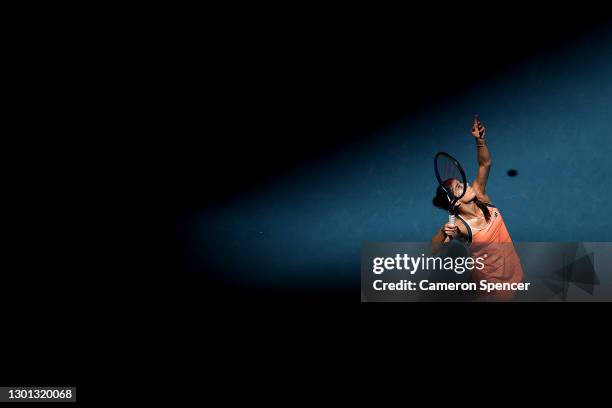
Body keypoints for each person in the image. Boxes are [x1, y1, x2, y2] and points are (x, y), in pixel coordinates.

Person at [430, 115, 523, 300]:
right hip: (493, 288)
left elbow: (485, 163)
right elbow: (433, 249)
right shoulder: (461, 226)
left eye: (461, 182)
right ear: (455, 202)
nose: (466, 184)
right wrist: (444, 232)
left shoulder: (480, 195)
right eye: (459, 187)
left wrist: (480, 141)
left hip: (513, 269)